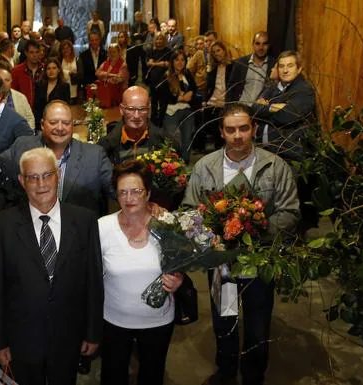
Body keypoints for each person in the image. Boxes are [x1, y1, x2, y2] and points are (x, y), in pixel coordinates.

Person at [182, 103, 300, 385]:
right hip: (223, 267)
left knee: (258, 325)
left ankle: (253, 376)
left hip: (260, 264)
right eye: (231, 129)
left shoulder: (275, 166)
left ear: (254, 129)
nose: (238, 135)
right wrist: (212, 239)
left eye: (244, 128)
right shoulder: (205, 167)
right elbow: (188, 212)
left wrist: (256, 230)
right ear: (222, 132)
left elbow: (291, 211)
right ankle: (225, 372)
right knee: (226, 321)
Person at [0, 147, 104, 385]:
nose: (41, 184)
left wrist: (93, 331)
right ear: (22, 181)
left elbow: (93, 280)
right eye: (33, 177)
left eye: (47, 175)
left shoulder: (84, 221)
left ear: (58, 174)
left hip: (69, 336)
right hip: (22, 340)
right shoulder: (2, 225)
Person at [99, 159, 183, 385]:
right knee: (112, 376)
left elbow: (180, 263)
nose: (129, 199)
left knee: (152, 375)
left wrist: (178, 280)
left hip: (158, 321)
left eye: (136, 191)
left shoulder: (167, 224)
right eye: (122, 192)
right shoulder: (102, 227)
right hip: (114, 321)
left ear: (148, 193)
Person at [0, 100, 112, 216]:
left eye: (66, 123)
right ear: (42, 125)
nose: (60, 128)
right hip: (30, 228)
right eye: (53, 122)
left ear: (72, 125)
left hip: (78, 231)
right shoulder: (22, 147)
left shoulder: (94, 156)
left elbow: (117, 190)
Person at [252, 50, 316, 159]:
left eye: (290, 66)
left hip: (289, 154)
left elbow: (286, 116)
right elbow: (254, 109)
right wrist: (279, 107)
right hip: (264, 150)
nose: (285, 70)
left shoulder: (304, 90)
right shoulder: (272, 87)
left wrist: (266, 108)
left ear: (299, 69)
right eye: (281, 66)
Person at [98, 86, 165, 165]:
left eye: (142, 109)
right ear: (121, 110)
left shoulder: (164, 142)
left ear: (148, 109)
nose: (136, 116)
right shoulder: (106, 146)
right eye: (130, 109)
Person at [158, 51, 197, 162]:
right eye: (177, 60)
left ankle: (185, 162)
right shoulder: (166, 75)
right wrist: (179, 98)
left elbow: (194, 89)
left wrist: (190, 95)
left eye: (182, 60)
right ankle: (171, 164)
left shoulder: (187, 74)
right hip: (171, 111)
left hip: (187, 110)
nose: (180, 62)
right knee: (170, 139)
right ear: (172, 61)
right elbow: (164, 96)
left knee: (187, 138)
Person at [199, 41, 233, 151]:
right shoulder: (212, 69)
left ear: (224, 50)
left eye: (218, 50)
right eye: (213, 52)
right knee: (206, 125)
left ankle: (221, 151)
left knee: (221, 130)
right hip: (212, 102)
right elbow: (207, 87)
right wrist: (204, 100)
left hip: (225, 103)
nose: (216, 54)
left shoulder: (233, 66)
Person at [227, 32, 276, 104]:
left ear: (268, 45)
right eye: (257, 43)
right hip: (241, 108)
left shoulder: (273, 65)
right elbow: (231, 87)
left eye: (264, 44)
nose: (261, 47)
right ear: (253, 45)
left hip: (259, 111)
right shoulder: (241, 63)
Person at [145, 32, 173, 125]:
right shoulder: (151, 51)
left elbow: (169, 64)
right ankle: (153, 121)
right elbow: (148, 63)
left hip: (164, 80)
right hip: (153, 80)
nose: (159, 41)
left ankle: (161, 121)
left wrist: (155, 64)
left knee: (163, 102)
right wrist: (161, 63)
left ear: (164, 40)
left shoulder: (169, 51)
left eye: (161, 39)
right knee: (153, 101)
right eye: (157, 39)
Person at [35, 58, 71, 125]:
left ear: (59, 70)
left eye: (54, 68)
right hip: (42, 123)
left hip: (58, 122)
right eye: (48, 68)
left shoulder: (64, 87)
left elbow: (66, 108)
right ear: (45, 71)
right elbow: (37, 107)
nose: (51, 71)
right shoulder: (39, 86)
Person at [11, 39, 45, 111]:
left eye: (37, 52)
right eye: (31, 52)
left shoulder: (44, 69)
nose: (35, 55)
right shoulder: (17, 71)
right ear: (26, 53)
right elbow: (12, 93)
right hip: (23, 111)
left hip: (42, 111)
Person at [95, 43, 129, 107]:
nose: (112, 54)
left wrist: (104, 76)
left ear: (119, 52)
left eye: (114, 52)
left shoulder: (123, 65)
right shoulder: (105, 62)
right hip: (105, 95)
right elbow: (97, 73)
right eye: (110, 52)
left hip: (118, 97)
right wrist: (112, 75)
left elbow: (116, 80)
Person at [78, 32, 107, 97]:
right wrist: (88, 85)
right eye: (92, 40)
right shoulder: (83, 55)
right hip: (88, 89)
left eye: (96, 40)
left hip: (102, 89)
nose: (94, 42)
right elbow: (82, 74)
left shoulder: (106, 54)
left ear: (99, 40)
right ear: (89, 41)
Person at [129, 11, 149, 86]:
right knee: (135, 63)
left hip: (143, 46)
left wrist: (138, 35)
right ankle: (135, 78)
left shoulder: (145, 25)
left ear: (142, 17)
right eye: (137, 17)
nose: (138, 18)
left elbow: (145, 35)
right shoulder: (133, 26)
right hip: (135, 47)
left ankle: (144, 78)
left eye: (140, 16)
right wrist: (140, 35)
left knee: (144, 63)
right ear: (135, 17)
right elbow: (132, 36)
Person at [59, 39, 80, 104]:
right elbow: (59, 74)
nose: (66, 50)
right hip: (62, 91)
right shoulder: (59, 60)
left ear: (71, 48)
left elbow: (80, 75)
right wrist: (69, 73)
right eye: (63, 48)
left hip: (75, 90)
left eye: (67, 48)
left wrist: (67, 73)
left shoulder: (77, 59)